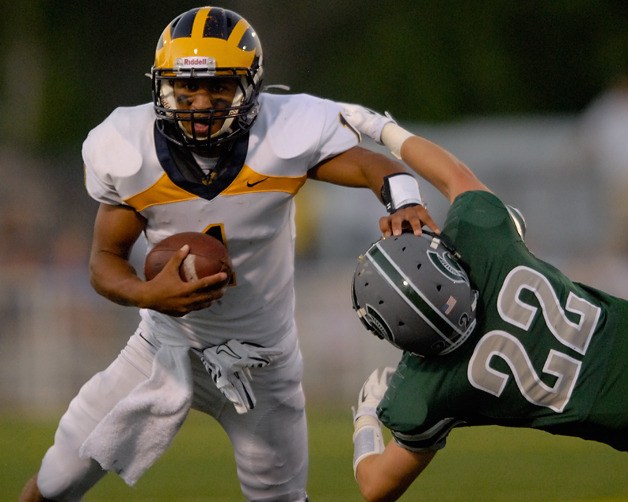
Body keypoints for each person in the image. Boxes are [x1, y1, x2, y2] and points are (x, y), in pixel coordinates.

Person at [19, 7, 438, 502]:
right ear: (161, 88)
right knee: (56, 478)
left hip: (264, 363)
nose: (201, 103)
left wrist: (405, 202)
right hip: (163, 348)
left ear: (251, 88)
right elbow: (103, 261)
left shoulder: (281, 136)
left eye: (219, 87)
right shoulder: (130, 151)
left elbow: (379, 168)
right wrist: (148, 293)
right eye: (186, 88)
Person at [340, 104, 628, 501]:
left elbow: (375, 487)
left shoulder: (426, 392)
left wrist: (367, 419)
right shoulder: (483, 241)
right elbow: (454, 174)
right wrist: (382, 129)